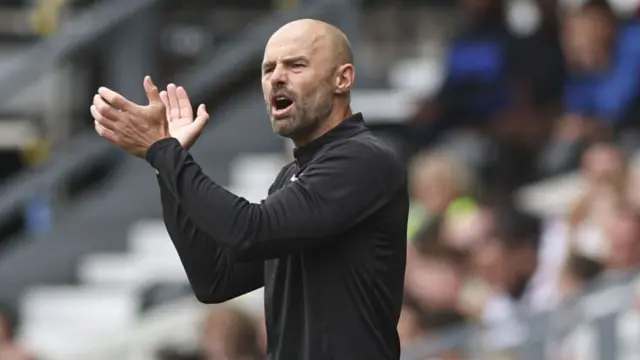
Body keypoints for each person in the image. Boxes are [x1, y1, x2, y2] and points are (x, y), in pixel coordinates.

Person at [90, 19, 409, 360]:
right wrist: (167, 163)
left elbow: (249, 231)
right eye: (268, 68)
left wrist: (164, 153)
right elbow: (215, 279)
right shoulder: (292, 175)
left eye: (296, 65)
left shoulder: (363, 159)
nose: (277, 77)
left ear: (342, 79)